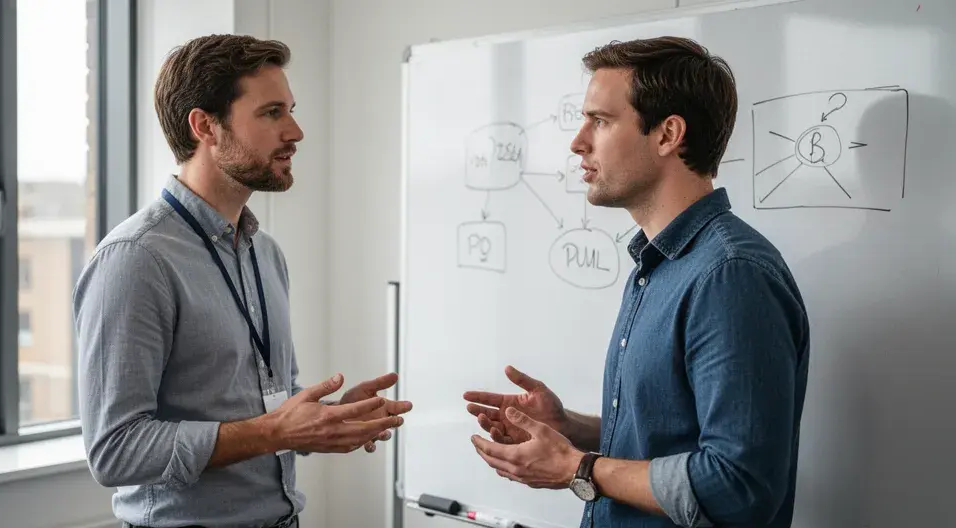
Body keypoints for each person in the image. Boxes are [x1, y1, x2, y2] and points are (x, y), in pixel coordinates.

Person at [464, 36, 810, 527]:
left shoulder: (729, 276)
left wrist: (577, 468)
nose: (577, 141)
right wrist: (570, 430)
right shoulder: (660, 265)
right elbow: (668, 438)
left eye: (600, 121)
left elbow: (739, 486)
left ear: (668, 134)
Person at [74, 34, 412, 528]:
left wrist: (322, 421)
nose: (296, 131)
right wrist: (276, 430)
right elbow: (115, 451)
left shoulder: (265, 253)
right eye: (272, 112)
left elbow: (270, 407)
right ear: (204, 126)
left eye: (290, 110)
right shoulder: (135, 260)